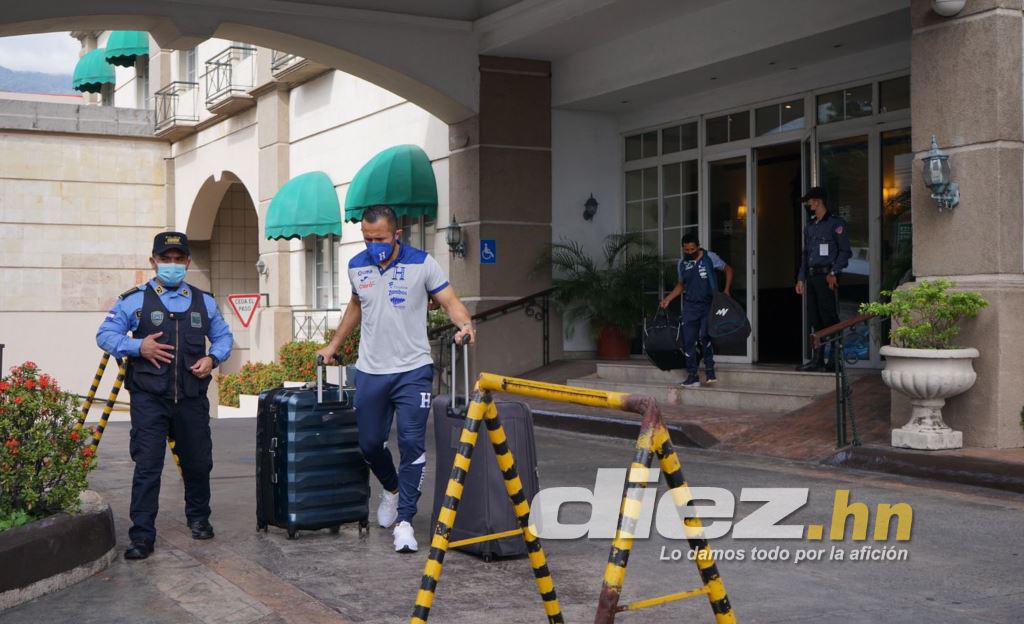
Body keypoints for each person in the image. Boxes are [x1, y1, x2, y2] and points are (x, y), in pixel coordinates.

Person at [316, 205, 474, 554]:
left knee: (412, 443)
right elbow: (356, 307)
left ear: (397, 235)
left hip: (413, 370)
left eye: (381, 239)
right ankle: (391, 488)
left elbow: (449, 301)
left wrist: (465, 324)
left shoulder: (423, 263)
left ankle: (405, 521)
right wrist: (333, 345)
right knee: (370, 444)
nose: (375, 245)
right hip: (371, 369)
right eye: (368, 239)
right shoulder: (357, 265)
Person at [96, 232, 233, 560]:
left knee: (199, 463)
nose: (171, 264)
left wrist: (212, 359)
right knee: (147, 466)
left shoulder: (204, 301)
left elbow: (224, 337)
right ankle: (142, 535)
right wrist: (137, 346)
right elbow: (105, 334)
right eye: (165, 258)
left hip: (190, 399)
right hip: (149, 398)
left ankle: (199, 519)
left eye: (177, 259)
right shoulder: (135, 300)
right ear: (153, 261)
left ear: (187, 262)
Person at [660, 232, 733, 388]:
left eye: (692, 249)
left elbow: (728, 269)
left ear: (698, 246)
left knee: (704, 336)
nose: (689, 253)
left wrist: (726, 290)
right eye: (686, 250)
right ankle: (692, 376)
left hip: (708, 305)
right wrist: (668, 299)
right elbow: (681, 285)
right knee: (688, 341)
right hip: (690, 306)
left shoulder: (710, 258)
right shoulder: (682, 263)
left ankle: (710, 371)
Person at [795, 186, 851, 371]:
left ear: (817, 201)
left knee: (830, 317)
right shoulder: (810, 226)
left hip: (827, 276)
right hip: (811, 277)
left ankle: (834, 360)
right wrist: (801, 278)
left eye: (809, 201)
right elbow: (805, 254)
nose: (808, 204)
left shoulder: (836, 223)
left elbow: (845, 252)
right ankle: (817, 359)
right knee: (815, 318)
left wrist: (834, 272)